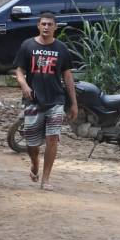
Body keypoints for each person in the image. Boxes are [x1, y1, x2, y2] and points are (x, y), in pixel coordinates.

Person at [14, 13, 78, 191]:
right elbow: (19, 70)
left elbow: (67, 76)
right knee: (32, 144)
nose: (46, 27)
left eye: (50, 24)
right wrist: (24, 85)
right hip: (33, 101)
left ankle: (46, 179)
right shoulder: (28, 45)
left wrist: (73, 103)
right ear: (38, 25)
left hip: (56, 100)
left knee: (52, 139)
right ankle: (34, 163)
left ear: (55, 27)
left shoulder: (61, 48)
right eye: (43, 24)